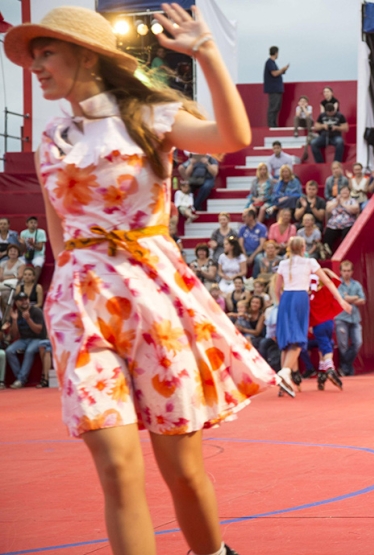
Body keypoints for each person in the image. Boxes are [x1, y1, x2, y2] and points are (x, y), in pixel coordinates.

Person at [10, 17, 290, 553]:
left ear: (87, 56)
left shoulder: (145, 115)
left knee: (181, 468)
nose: (36, 66)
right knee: (115, 466)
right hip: (79, 304)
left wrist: (206, 52)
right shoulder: (53, 136)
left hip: (152, 295)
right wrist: (70, 279)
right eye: (34, 56)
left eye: (46, 54)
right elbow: (57, 223)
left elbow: (233, 138)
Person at [272, 236, 351, 394]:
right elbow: (328, 282)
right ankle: (285, 372)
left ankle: (285, 378)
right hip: (300, 298)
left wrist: (282, 305)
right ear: (303, 248)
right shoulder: (310, 262)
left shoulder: (283, 264)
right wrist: (341, 300)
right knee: (298, 339)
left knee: (287, 340)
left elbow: (276, 289)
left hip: (286, 299)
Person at [307, 269, 346, 390]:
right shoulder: (326, 290)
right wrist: (326, 271)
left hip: (317, 325)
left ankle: (329, 368)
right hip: (329, 323)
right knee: (326, 345)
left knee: (325, 346)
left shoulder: (308, 298)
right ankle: (323, 371)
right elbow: (337, 280)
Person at [3, 291, 48, 388]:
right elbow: (14, 335)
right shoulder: (16, 313)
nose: (24, 302)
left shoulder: (36, 311)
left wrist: (28, 320)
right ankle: (21, 378)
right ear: (17, 303)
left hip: (38, 339)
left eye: (26, 300)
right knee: (9, 351)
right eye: (21, 300)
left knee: (30, 351)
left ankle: (21, 380)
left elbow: (38, 331)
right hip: (23, 339)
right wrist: (14, 321)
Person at [264, 45, 288, 127]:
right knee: (273, 108)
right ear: (276, 53)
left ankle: (274, 124)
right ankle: (271, 125)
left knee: (276, 107)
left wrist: (282, 71)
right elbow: (274, 73)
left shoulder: (273, 63)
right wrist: (282, 70)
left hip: (277, 89)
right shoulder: (269, 62)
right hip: (273, 89)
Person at [20, 216, 47, 282]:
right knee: (18, 262)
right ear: (27, 224)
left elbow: (40, 248)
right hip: (27, 254)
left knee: (38, 264)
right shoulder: (23, 233)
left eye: (35, 223)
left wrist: (32, 244)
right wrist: (22, 244)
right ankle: (20, 283)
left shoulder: (41, 232)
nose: (33, 224)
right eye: (31, 222)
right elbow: (22, 250)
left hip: (38, 255)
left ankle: (33, 283)